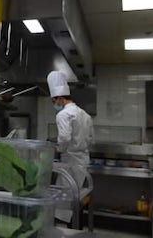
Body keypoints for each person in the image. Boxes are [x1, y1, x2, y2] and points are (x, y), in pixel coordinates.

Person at [48, 70, 93, 223]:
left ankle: (63, 231)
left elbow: (64, 139)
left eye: (54, 101)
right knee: (77, 199)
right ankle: (75, 228)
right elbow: (91, 138)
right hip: (83, 161)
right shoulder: (84, 114)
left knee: (63, 203)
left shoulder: (63, 115)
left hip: (70, 163)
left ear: (60, 98)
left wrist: (57, 149)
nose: (54, 104)